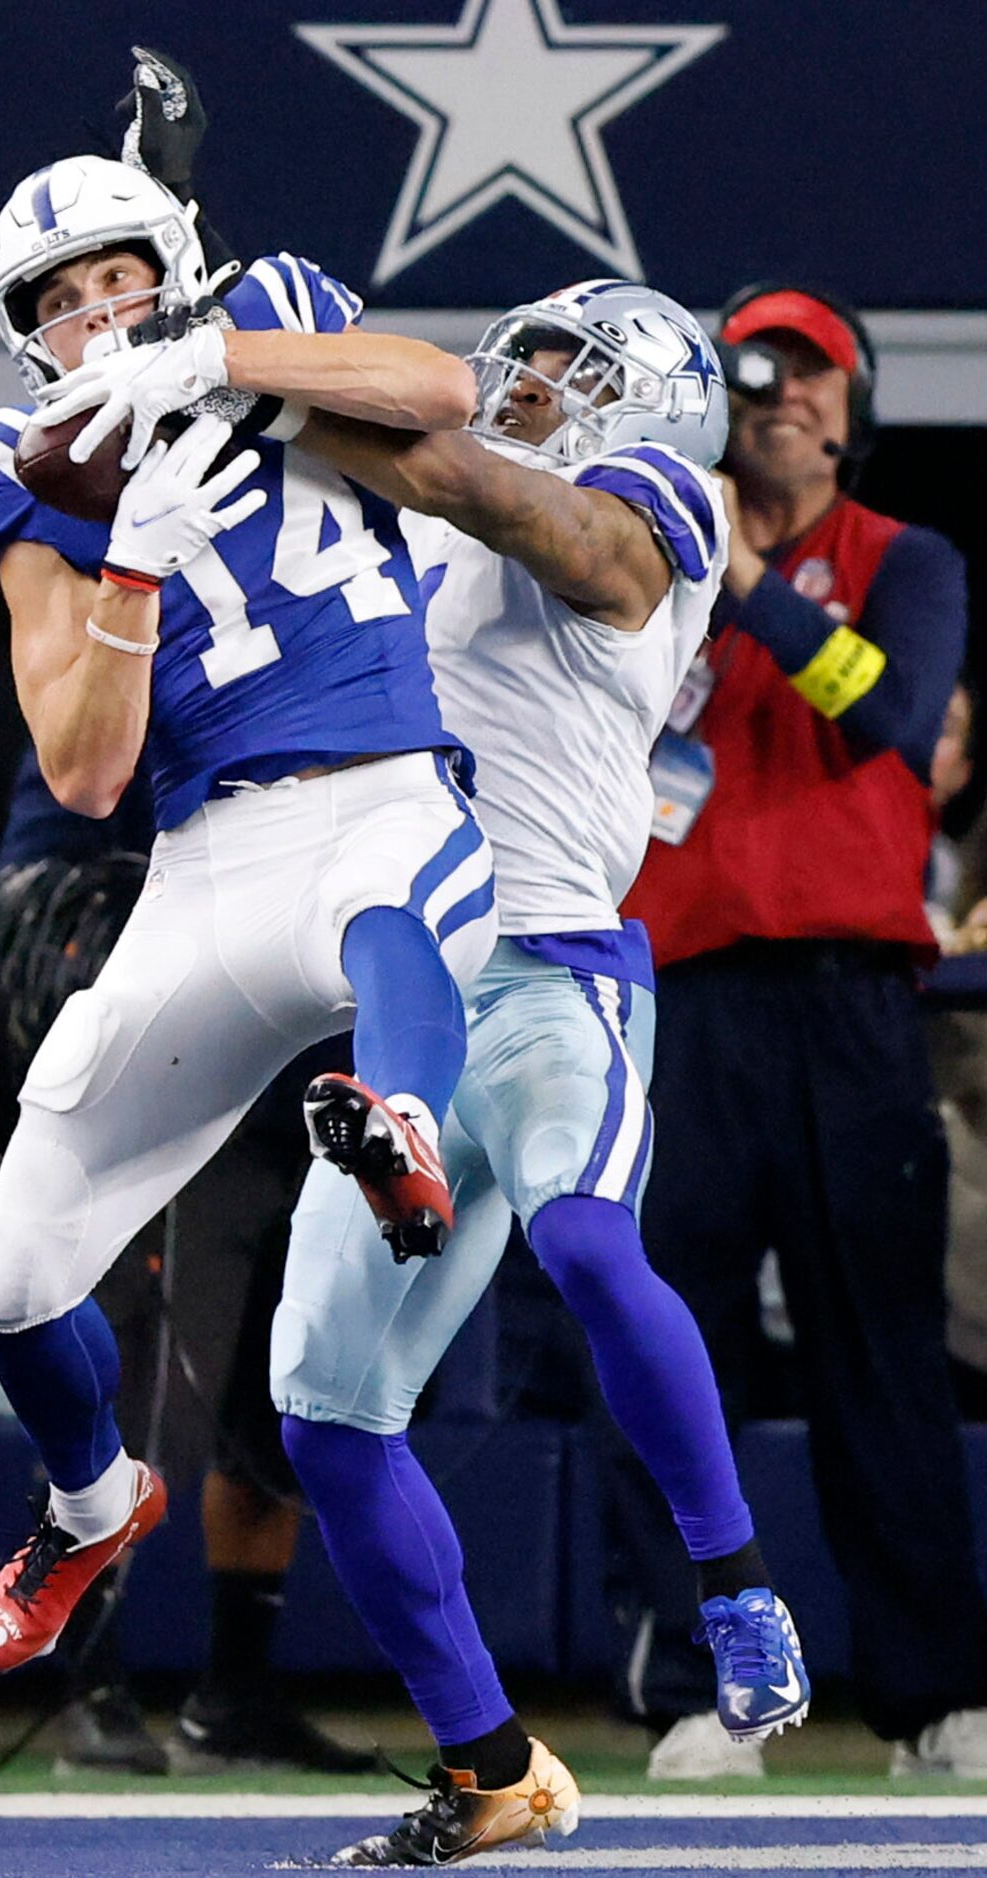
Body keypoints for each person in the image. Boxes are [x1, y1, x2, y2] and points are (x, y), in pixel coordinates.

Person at [129, 280, 810, 1863]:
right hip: (403, 990)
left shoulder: (658, 500)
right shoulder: (408, 519)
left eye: (568, 362)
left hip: (558, 975)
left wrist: (244, 371)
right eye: (529, 353)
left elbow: (505, 506)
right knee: (325, 1415)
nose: (525, 379)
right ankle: (489, 1764)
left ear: (651, 393)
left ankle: (736, 1582)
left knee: (581, 1234)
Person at [0, 151, 498, 1679]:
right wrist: (130, 556)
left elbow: (440, 392)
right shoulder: (18, 459)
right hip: (201, 861)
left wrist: (214, 366)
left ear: (173, 263)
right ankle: (91, 1500)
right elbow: (87, 761)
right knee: (10, 1275)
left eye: (115, 276)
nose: (93, 316)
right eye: (57, 304)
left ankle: (402, 1122)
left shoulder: (266, 311)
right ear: (25, 339)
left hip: (382, 779)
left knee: (395, 912)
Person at [596, 284, 987, 1780]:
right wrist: (697, 567)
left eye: (812, 374)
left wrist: (754, 582)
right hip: (677, 998)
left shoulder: (910, 560)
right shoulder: (639, 562)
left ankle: (930, 1692)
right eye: (754, 372)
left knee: (879, 1359)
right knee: (667, 1355)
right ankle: (705, 1688)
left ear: (853, 403)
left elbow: (889, 718)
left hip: (849, 1009)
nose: (783, 396)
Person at [0, 771, 371, 1775]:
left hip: (308, 1042)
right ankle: (89, 1682)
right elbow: (63, 826)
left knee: (282, 1394)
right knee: (142, 1386)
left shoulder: (366, 653)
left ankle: (233, 1691)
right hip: (179, 1034)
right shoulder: (156, 638)